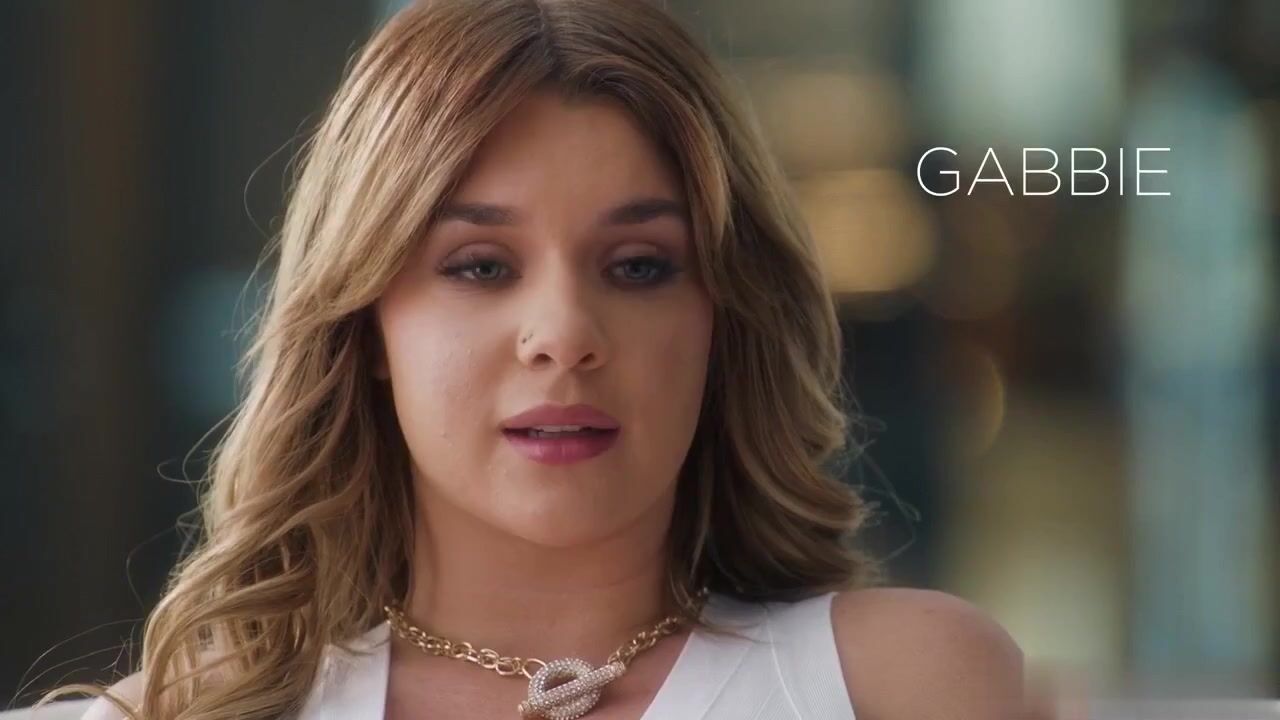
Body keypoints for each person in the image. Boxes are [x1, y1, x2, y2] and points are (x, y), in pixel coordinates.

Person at [41, 0, 1031, 718]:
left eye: (638, 266)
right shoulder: (187, 715)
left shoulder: (901, 684)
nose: (562, 332)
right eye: (480, 266)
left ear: (722, 321)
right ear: (366, 324)